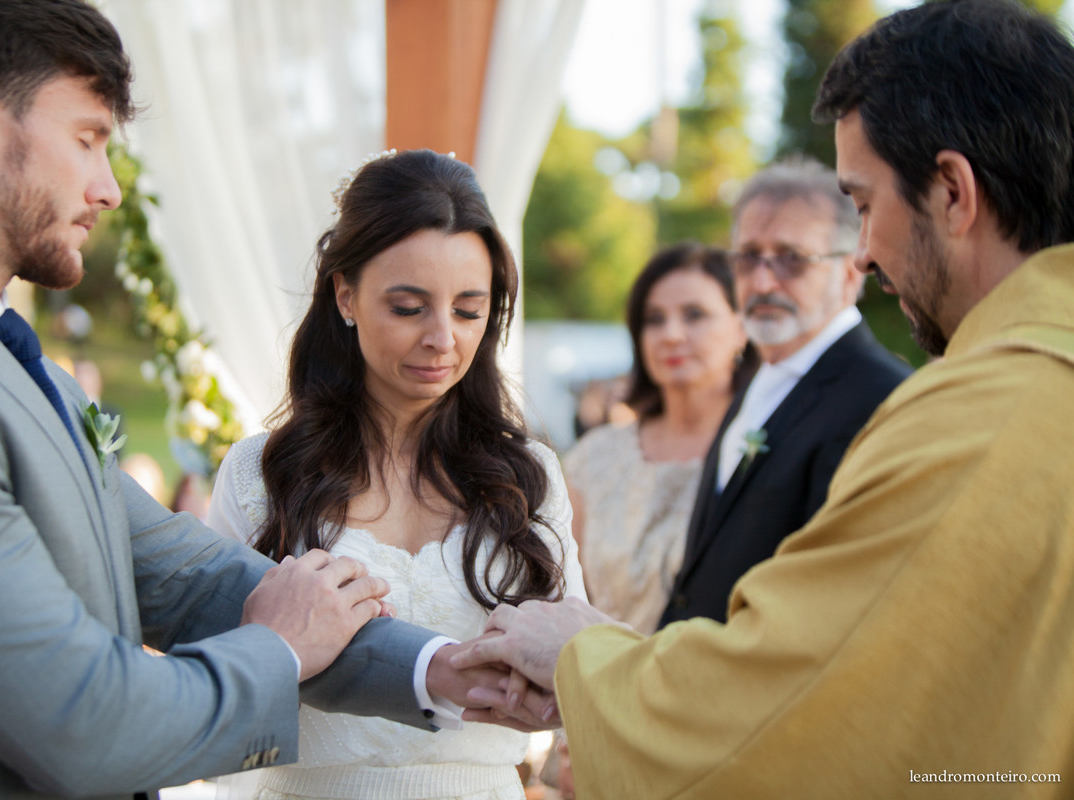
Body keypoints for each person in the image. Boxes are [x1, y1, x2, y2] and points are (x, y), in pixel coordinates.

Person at [0, 3, 522, 798]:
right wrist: (277, 649)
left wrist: (441, 671)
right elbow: (84, 724)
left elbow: (184, 577)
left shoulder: (3, 358)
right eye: (87, 138)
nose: (107, 189)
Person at [450, 0, 1074, 795]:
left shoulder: (979, 419)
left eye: (865, 206)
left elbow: (796, 710)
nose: (869, 252)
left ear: (952, 191)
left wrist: (582, 659)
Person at [208, 148, 585, 800]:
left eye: (469, 310)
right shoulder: (261, 474)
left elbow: (573, 664)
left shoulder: (531, 478)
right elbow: (221, 686)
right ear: (346, 295)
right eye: (410, 307)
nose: (443, 338)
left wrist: (551, 693)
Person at [656, 157, 911, 626]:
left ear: (850, 275)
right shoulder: (761, 377)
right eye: (748, 256)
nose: (762, 281)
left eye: (792, 259)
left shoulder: (881, 398)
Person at [563, 243, 752, 634]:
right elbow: (561, 594)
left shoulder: (766, 448)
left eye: (694, 314)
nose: (670, 334)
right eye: (654, 319)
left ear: (742, 327)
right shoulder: (595, 458)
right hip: (601, 679)